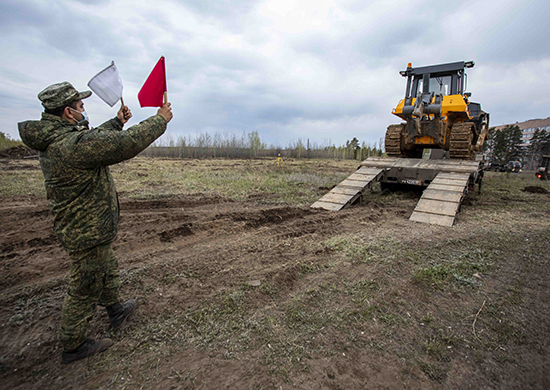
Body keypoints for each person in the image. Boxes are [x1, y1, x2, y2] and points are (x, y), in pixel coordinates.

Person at [18, 81, 173, 364]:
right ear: (67, 112)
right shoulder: (69, 145)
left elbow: (93, 139)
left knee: (105, 266)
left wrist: (116, 122)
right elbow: (123, 145)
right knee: (85, 284)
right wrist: (159, 120)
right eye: (80, 106)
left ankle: (115, 309)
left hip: (90, 225)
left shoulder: (62, 139)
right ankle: (74, 345)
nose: (83, 109)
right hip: (84, 228)